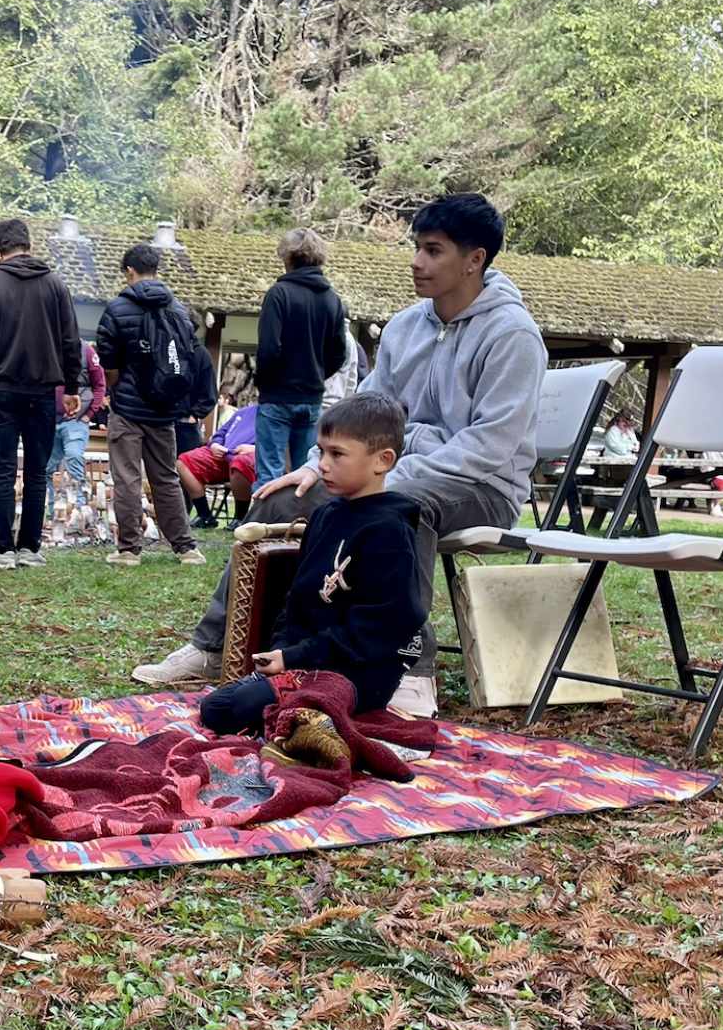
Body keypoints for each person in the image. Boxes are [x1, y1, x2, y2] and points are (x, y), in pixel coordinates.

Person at [134, 193, 545, 721]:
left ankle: (409, 668)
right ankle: (217, 643)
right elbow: (363, 415)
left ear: (475, 259)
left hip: (483, 488)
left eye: (434, 250)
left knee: (398, 506)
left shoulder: (512, 335)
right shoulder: (405, 328)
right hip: (392, 469)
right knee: (283, 495)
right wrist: (314, 464)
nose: (417, 262)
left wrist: (388, 476)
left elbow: (490, 447)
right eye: (417, 247)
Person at [199, 394, 424, 735]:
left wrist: (295, 659)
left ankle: (319, 717)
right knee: (218, 707)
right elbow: (298, 600)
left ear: (382, 460)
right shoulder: (324, 516)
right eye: (321, 451)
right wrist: (283, 653)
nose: (322, 464)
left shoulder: (389, 531)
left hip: (359, 671)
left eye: (337, 454)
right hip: (309, 662)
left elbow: (378, 629)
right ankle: (301, 712)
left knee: (241, 709)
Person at [0, 218, 82, 569]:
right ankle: (30, 548)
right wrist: (72, 386)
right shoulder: (55, 286)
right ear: (28, 245)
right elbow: (70, 340)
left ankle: (2, 550)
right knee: (37, 471)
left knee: (3, 470)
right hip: (43, 390)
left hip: (1, 389)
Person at [93, 243, 210, 566]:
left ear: (129, 271)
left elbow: (109, 363)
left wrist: (116, 388)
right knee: (166, 477)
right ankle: (186, 548)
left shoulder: (117, 309)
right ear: (156, 270)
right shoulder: (179, 310)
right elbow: (190, 356)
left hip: (128, 409)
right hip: (164, 408)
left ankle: (129, 549)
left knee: (127, 477)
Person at [252, 228, 348, 487]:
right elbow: (340, 353)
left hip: (278, 396)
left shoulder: (279, 294)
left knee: (269, 473)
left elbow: (269, 348)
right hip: (312, 398)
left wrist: (264, 381)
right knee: (308, 471)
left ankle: (265, 526)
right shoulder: (332, 300)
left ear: (288, 257)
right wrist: (317, 373)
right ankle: (302, 525)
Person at [178, 403, 258, 527]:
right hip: (223, 456)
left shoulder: (283, 412)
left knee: (240, 463)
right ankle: (204, 516)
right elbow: (221, 433)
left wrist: (255, 449)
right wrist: (215, 444)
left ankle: (240, 518)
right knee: (184, 461)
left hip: (252, 460)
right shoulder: (243, 412)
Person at [45, 340, 107, 494]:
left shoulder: (86, 350)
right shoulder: (46, 345)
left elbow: (100, 384)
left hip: (76, 420)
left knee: (74, 458)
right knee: (46, 467)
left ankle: (79, 509)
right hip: (49, 420)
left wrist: (90, 413)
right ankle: (49, 510)